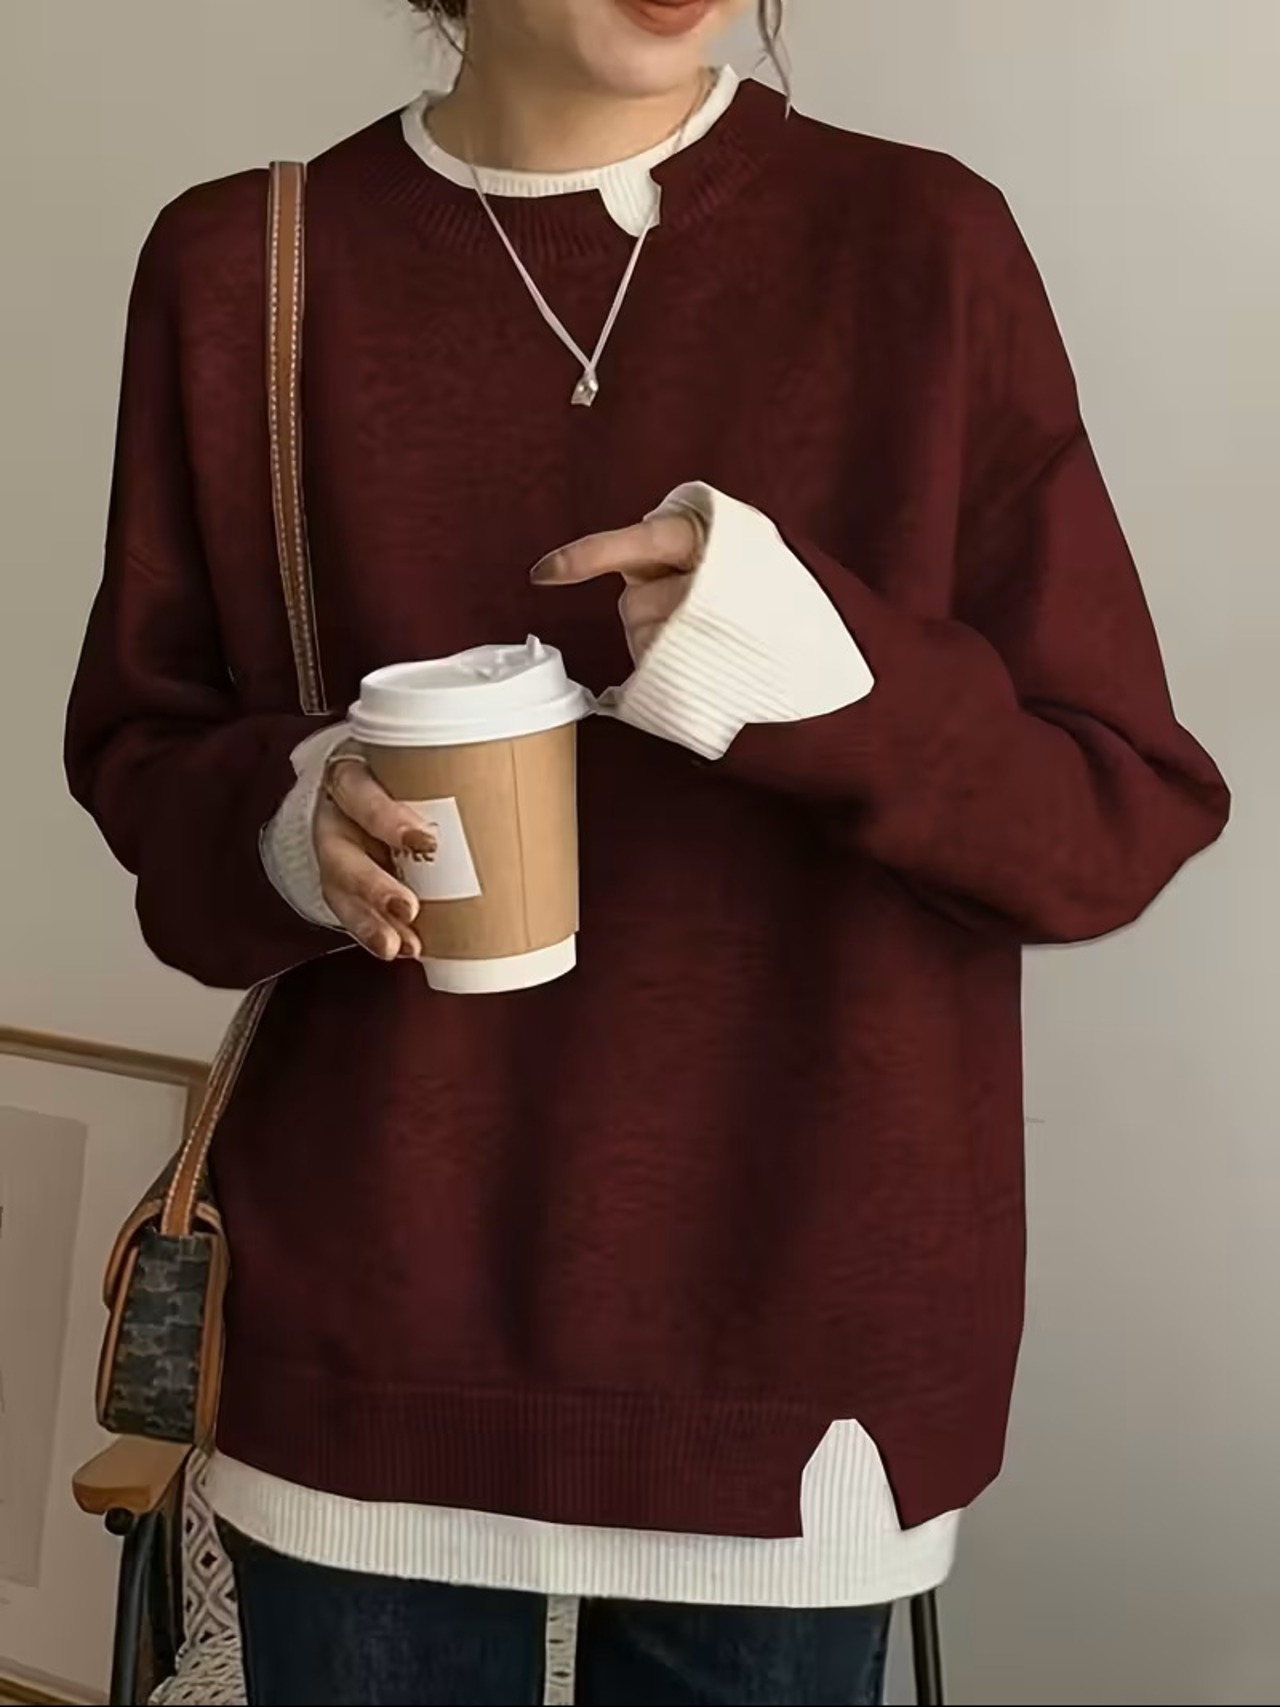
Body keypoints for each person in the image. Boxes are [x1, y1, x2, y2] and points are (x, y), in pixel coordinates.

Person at [65, 1, 1229, 1702]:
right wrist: (299, 813)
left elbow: (1111, 820)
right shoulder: (243, 268)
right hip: (378, 1330)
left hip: (801, 1358)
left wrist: (819, 675)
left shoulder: (922, 244)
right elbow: (144, 759)